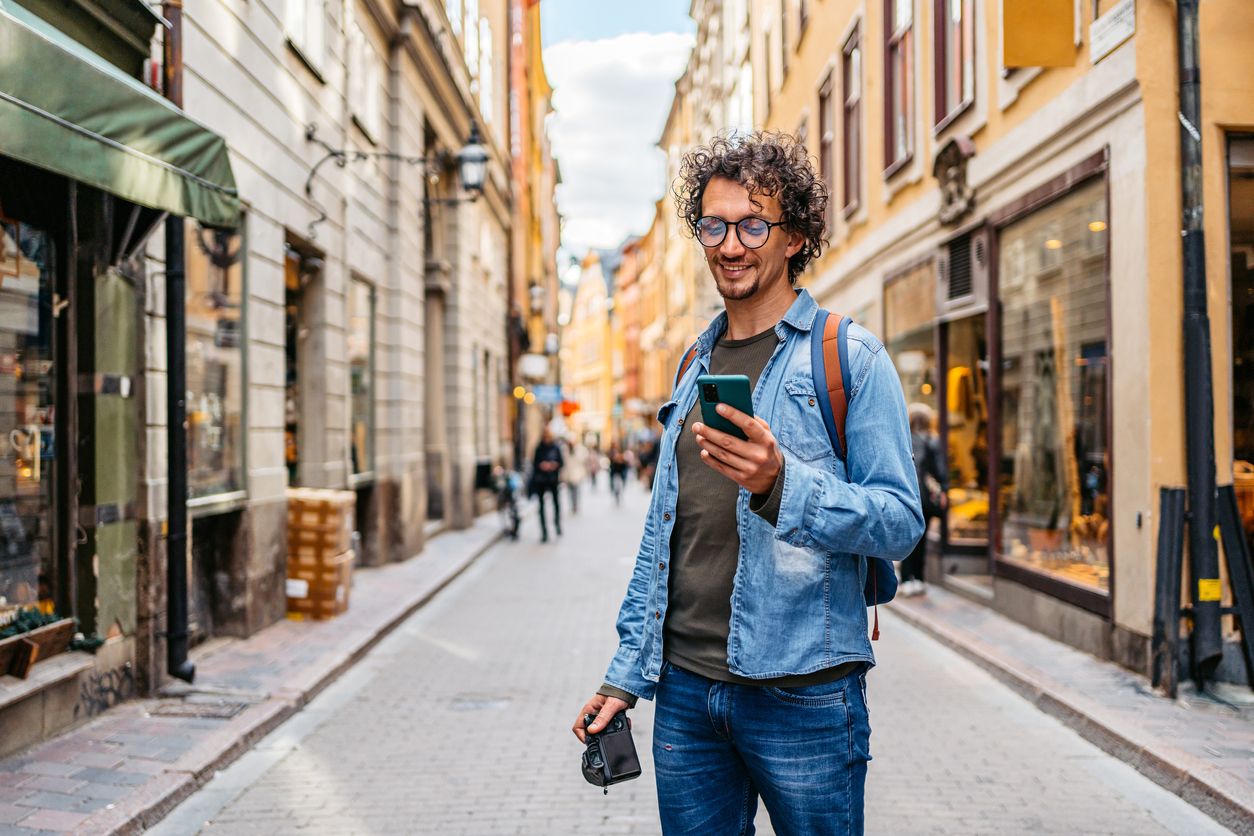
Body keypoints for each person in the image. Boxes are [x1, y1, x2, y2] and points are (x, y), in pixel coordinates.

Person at [572, 132, 922, 835]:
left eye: (753, 224)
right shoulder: (692, 363)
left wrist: (782, 484)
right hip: (686, 697)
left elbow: (899, 520)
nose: (730, 245)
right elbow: (664, 537)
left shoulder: (847, 355)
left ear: (793, 236)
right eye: (713, 225)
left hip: (806, 696)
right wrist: (624, 676)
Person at [902, 403, 946, 596]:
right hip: (926, 499)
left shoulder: (903, 440)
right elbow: (940, 471)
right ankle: (919, 578)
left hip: (907, 495)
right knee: (922, 538)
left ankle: (905, 579)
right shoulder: (932, 441)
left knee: (907, 538)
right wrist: (944, 490)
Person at [530, 428, 563, 542]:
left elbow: (561, 462)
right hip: (541, 480)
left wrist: (554, 465)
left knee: (556, 503)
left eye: (548, 437)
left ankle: (557, 524)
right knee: (541, 506)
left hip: (553, 479)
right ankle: (544, 531)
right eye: (545, 437)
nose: (546, 439)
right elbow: (534, 463)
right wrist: (542, 465)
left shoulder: (556, 448)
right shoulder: (539, 448)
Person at [564, 437, 590, 514]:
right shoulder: (565, 450)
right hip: (569, 474)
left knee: (576, 490)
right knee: (570, 491)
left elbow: (583, 460)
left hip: (577, 474)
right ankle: (572, 505)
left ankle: (575, 505)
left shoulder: (580, 450)